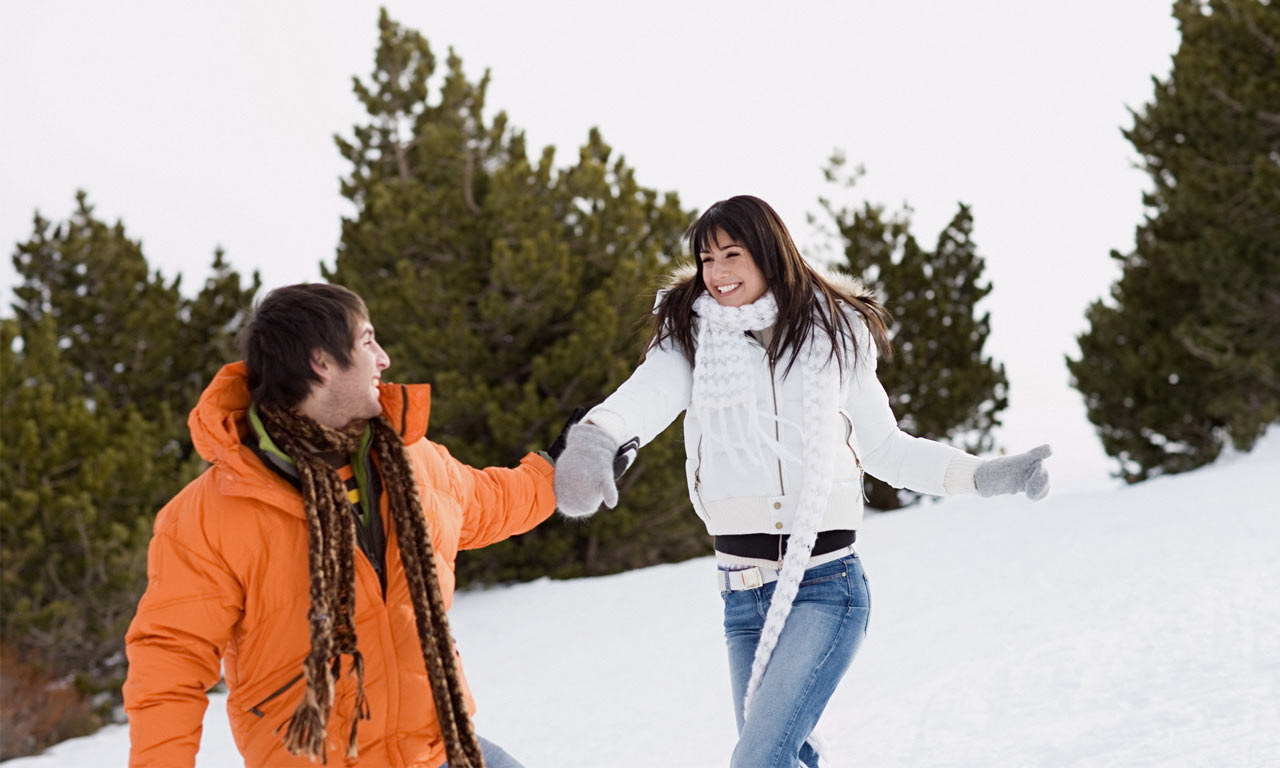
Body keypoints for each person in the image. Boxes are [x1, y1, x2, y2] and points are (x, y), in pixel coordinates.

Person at [553, 195, 1051, 768]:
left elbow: (887, 448)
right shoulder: (692, 337)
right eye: (707, 258)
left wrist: (986, 475)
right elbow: (646, 395)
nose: (717, 273)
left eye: (732, 255)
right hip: (742, 595)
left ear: (769, 254)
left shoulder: (834, 336)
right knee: (782, 760)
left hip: (825, 587)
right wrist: (596, 438)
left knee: (759, 760)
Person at [123, 283, 562, 768]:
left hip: (438, 752)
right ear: (322, 363)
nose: (384, 359)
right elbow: (169, 663)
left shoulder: (409, 462)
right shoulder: (210, 516)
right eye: (368, 341)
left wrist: (558, 468)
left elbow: (492, 502)